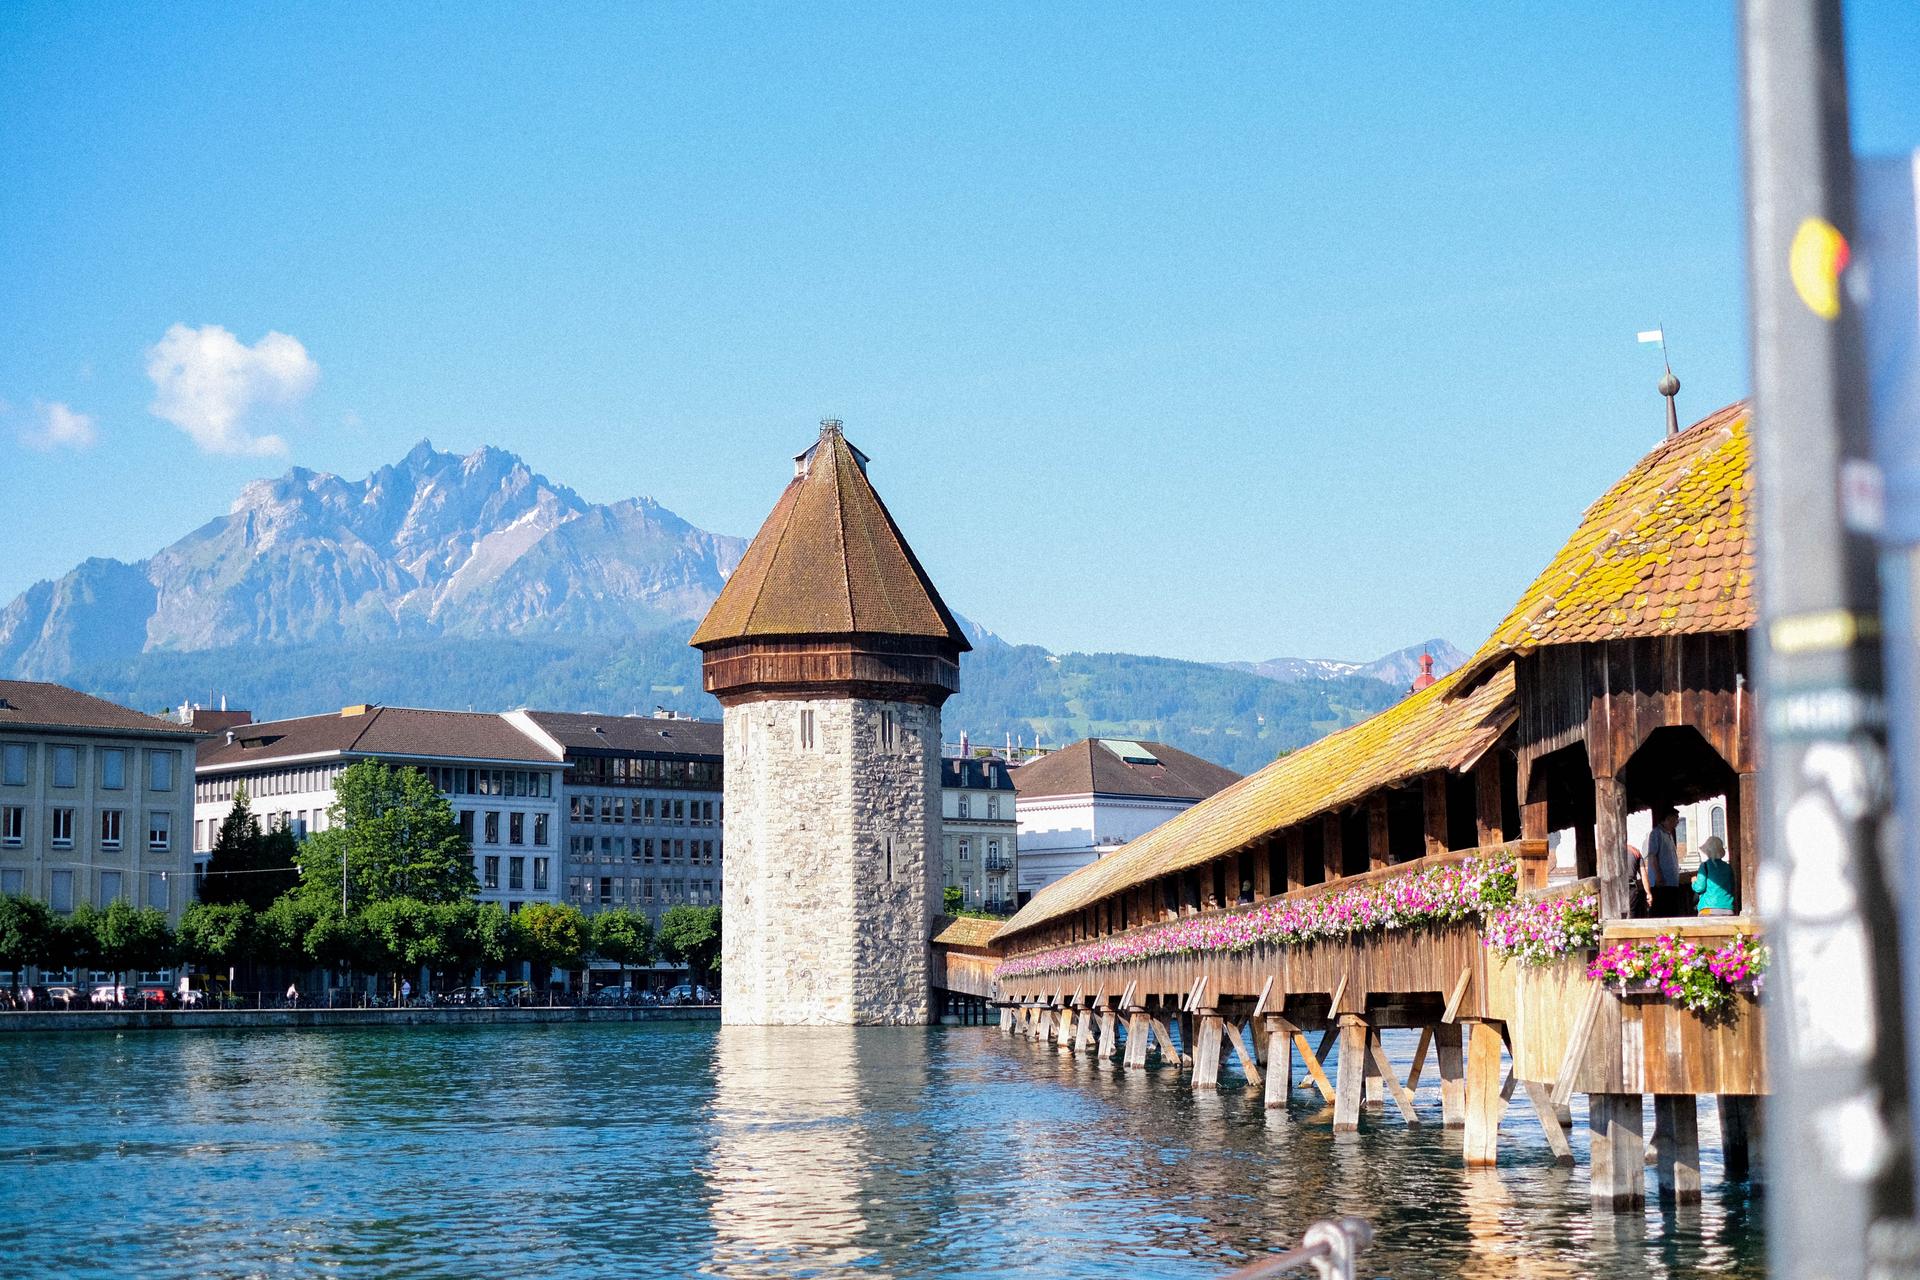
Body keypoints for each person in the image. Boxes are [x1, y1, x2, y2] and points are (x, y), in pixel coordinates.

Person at [1644, 805, 1685, 917]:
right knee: (1662, 912)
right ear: (1667, 819)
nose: (1677, 822)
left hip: (1671, 882)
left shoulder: (1669, 834)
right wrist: (1658, 876)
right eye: (1675, 818)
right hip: (1662, 883)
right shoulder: (1656, 833)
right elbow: (1652, 856)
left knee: (1671, 911)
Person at [1692, 835, 1737, 916]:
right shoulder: (1728, 867)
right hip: (1727, 908)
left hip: (1708, 908)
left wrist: (1694, 882)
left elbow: (1700, 888)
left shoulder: (1705, 866)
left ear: (1708, 851)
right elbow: (1732, 886)